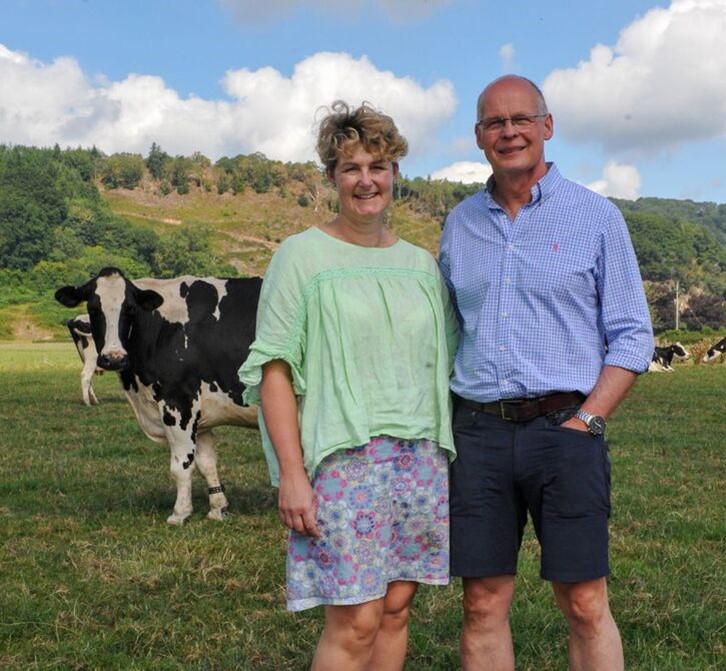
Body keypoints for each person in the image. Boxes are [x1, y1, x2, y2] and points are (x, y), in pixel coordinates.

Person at [438, 75, 654, 670]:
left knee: (583, 600)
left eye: (520, 120)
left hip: (566, 429)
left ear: (547, 126)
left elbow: (634, 334)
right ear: (479, 136)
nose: (508, 132)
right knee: (482, 602)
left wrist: (589, 420)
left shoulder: (597, 216)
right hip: (478, 434)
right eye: (494, 123)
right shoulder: (460, 225)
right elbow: (448, 329)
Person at [239, 101, 458, 671]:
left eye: (378, 167)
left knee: (396, 609)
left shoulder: (421, 266)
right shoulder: (301, 258)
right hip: (344, 459)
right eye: (352, 167)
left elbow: (448, 360)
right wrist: (291, 473)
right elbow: (275, 371)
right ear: (332, 178)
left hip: (421, 457)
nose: (367, 180)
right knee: (355, 618)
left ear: (395, 176)